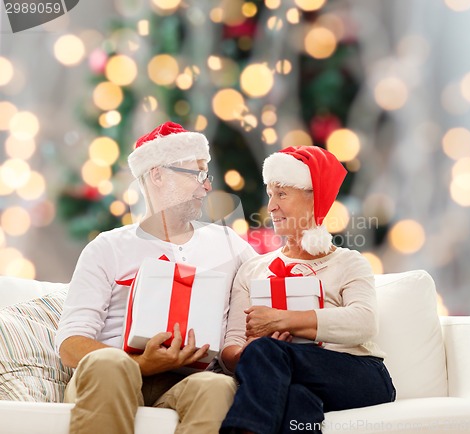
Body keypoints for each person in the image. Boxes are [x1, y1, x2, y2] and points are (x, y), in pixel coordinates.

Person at [55, 121, 256, 434]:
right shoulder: (108, 247)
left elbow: (268, 282)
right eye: (197, 173)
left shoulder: (230, 245)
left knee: (216, 388)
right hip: (112, 377)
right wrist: (139, 364)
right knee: (111, 365)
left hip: (185, 383)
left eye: (208, 175)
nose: (206, 187)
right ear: (158, 175)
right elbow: (70, 345)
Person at [220, 146, 396, 434]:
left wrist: (283, 321)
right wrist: (246, 354)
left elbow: (364, 322)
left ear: (315, 198)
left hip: (359, 375)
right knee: (296, 398)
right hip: (286, 375)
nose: (272, 206)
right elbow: (231, 348)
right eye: (270, 195)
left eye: (282, 194)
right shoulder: (252, 269)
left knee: (269, 352)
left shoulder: (348, 262)